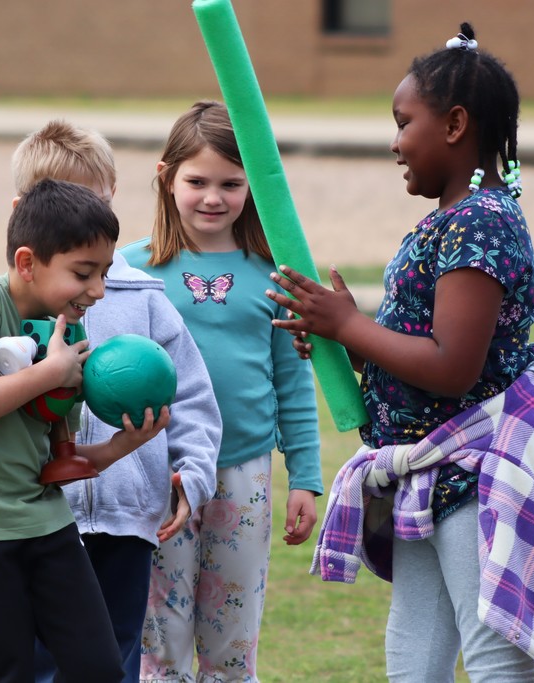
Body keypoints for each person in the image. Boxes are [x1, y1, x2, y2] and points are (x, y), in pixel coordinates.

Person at [269, 23, 534, 683]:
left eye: (404, 122)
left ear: (454, 125)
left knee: (492, 657)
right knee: (413, 649)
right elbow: (426, 354)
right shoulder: (454, 219)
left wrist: (349, 326)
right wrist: (346, 340)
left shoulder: (483, 221)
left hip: (477, 476)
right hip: (430, 477)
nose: (395, 142)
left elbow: (453, 366)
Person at [0, 178, 172, 682]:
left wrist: (125, 445)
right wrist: (50, 373)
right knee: (5, 672)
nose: (99, 290)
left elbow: (58, 466)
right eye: (83, 273)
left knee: (100, 667)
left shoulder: (66, 328)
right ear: (26, 263)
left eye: (103, 272)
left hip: (48, 527)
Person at [119, 100, 323, 683]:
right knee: (161, 636)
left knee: (232, 639)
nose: (213, 196)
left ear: (252, 187)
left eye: (231, 183)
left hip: (245, 474)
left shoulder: (275, 275)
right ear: (166, 178)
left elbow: (293, 381)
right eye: (197, 181)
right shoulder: (128, 272)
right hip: (161, 473)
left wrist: (305, 477)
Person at [15, 122, 222, 683]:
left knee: (115, 657)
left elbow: (194, 398)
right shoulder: (6, 305)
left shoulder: (144, 301)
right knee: (42, 659)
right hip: (37, 517)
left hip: (128, 516)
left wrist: (192, 475)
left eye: (95, 202)